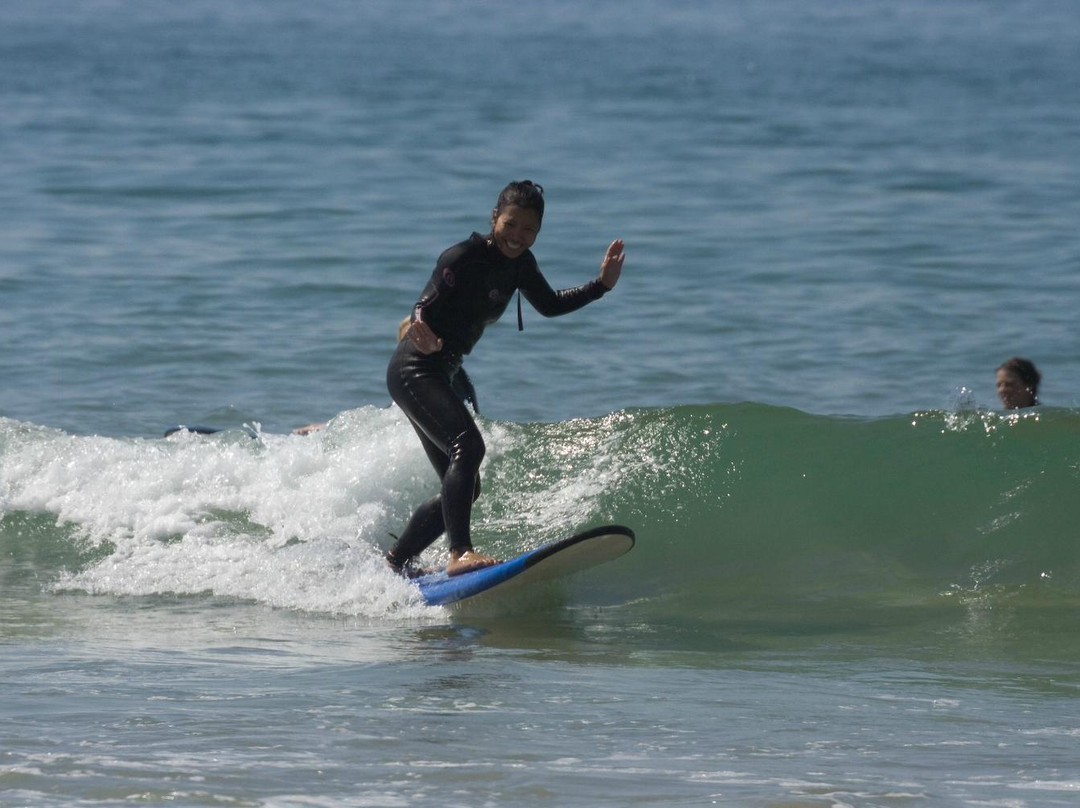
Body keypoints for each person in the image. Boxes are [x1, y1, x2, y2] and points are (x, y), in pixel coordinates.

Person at [385, 180, 625, 577]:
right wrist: (421, 326)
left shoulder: (521, 266)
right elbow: (423, 303)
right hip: (414, 369)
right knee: (468, 446)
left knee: (465, 486)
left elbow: (549, 305)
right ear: (495, 218)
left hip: (440, 374)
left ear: (538, 233)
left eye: (528, 230)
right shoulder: (463, 256)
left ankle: (396, 561)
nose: (518, 236)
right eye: (511, 224)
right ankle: (459, 552)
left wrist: (599, 286)